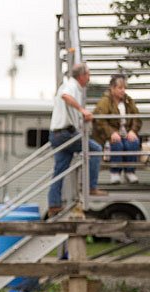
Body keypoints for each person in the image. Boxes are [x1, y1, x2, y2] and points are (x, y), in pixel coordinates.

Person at [48, 62, 107, 218]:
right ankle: (91, 187)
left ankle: (53, 204)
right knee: (95, 149)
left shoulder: (71, 85)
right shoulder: (71, 85)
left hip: (57, 134)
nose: (89, 77)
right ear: (81, 76)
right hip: (65, 133)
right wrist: (82, 110)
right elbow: (66, 96)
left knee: (59, 170)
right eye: (88, 74)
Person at [93, 74, 143, 185]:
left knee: (133, 142)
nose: (123, 91)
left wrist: (133, 131)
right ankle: (115, 172)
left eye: (124, 88)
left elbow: (137, 118)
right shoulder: (105, 101)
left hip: (126, 134)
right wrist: (111, 133)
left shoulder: (128, 101)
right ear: (112, 88)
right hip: (108, 136)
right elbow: (100, 121)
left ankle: (130, 172)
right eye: (120, 88)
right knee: (117, 143)